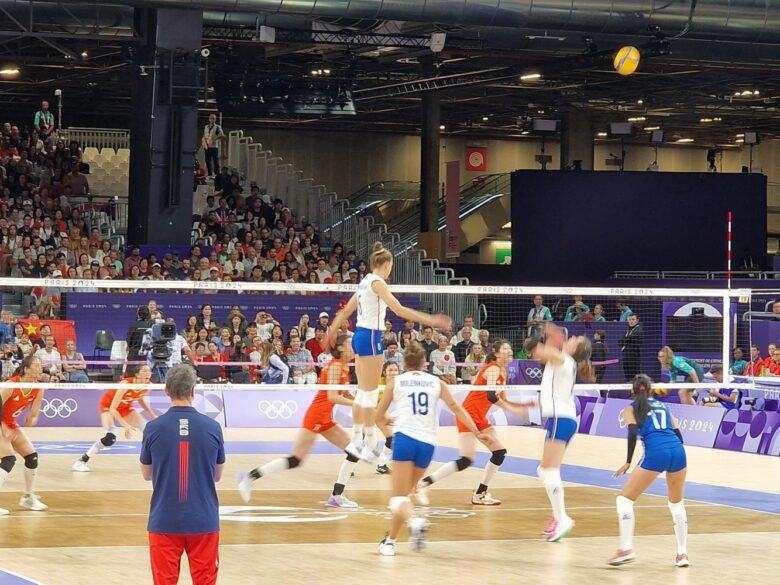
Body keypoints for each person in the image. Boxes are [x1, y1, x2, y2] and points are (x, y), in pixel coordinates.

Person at [327, 242, 451, 462]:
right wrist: (432, 320)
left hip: (359, 336)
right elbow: (399, 310)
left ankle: (358, 440)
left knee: (362, 392)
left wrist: (332, 331)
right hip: (372, 337)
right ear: (386, 264)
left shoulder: (364, 282)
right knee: (370, 393)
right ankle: (370, 442)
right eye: (391, 264)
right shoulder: (378, 283)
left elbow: (346, 311)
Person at [374, 341, 487, 556]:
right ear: (425, 362)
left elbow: (378, 417)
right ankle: (390, 541)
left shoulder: (396, 382)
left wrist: (389, 421)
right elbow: (457, 408)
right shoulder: (436, 383)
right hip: (427, 445)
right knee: (404, 496)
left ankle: (415, 522)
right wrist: (475, 431)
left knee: (397, 498)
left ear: (404, 362)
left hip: (405, 439)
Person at [238, 335, 363, 507]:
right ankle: (250, 477)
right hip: (316, 416)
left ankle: (337, 496)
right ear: (340, 347)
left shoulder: (344, 368)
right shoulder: (334, 367)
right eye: (350, 344)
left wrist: (360, 400)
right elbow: (332, 396)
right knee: (296, 460)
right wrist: (356, 403)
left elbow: (343, 393)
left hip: (326, 417)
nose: (354, 348)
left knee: (354, 451)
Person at [141, 364, 225, 585]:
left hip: (164, 521)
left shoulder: (152, 428)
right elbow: (217, 475)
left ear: (166, 390)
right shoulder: (213, 427)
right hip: (203, 521)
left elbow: (146, 474)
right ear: (193, 391)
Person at [417, 340, 525, 506]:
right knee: (466, 459)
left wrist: (518, 408)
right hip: (468, 415)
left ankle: (480, 493)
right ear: (496, 353)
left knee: (499, 452)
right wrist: (514, 409)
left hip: (480, 417)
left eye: (510, 348)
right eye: (505, 349)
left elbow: (503, 398)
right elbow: (491, 396)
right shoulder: (493, 369)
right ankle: (424, 483)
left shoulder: (502, 371)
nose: (509, 351)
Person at [608, 374, 689, 568]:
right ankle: (682, 553)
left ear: (632, 390)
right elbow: (679, 434)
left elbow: (632, 433)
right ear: (651, 389)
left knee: (624, 500)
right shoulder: (664, 406)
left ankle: (626, 548)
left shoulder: (631, 408)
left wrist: (628, 461)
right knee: (677, 504)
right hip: (678, 450)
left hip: (656, 452)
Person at [524, 324, 594, 542]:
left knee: (549, 470)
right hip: (563, 419)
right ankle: (557, 516)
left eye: (575, 339)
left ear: (575, 348)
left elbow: (531, 347)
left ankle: (563, 518)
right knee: (543, 470)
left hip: (560, 419)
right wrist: (551, 336)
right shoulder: (563, 359)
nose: (571, 338)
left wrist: (545, 333)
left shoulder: (563, 359)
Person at [73, 365, 156, 472]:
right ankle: (81, 461)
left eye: (149, 371)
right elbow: (113, 408)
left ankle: (154, 461)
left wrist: (152, 415)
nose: (148, 373)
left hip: (125, 408)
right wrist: (125, 425)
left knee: (148, 430)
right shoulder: (125, 384)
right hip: (108, 406)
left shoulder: (149, 386)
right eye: (144, 371)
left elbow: (140, 398)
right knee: (110, 437)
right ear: (137, 374)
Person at [0, 355, 48, 512]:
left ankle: (28, 498)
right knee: (8, 459)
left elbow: (33, 415)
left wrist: (31, 420)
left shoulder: (38, 388)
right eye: (36, 365)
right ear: (26, 369)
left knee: (32, 457)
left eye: (41, 365)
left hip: (11, 424)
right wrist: (3, 427)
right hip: (1, 424)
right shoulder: (11, 385)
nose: (40, 368)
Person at [619, 314, 643, 382]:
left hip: (634, 359)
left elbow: (629, 339)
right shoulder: (628, 331)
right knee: (628, 380)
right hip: (626, 359)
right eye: (630, 319)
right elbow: (620, 343)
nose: (631, 321)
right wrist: (627, 339)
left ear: (637, 320)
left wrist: (626, 339)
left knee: (635, 380)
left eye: (633, 319)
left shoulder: (638, 330)